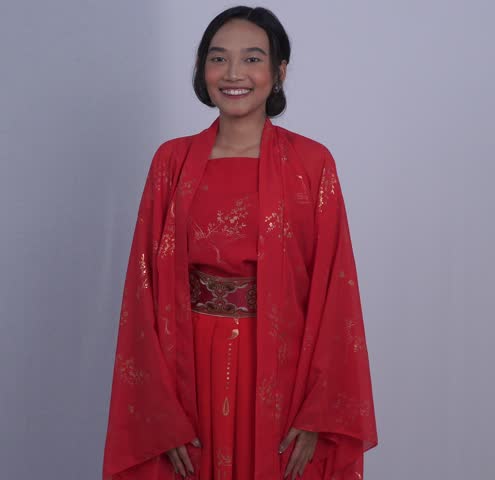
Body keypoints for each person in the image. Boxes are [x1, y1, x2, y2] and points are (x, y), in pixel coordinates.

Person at [102, 6, 378, 479]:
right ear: (201, 69)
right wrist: (160, 411)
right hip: (187, 368)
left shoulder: (311, 164)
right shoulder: (172, 162)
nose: (233, 74)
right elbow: (141, 292)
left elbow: (336, 289)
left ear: (279, 71)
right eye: (217, 58)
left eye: (252, 59)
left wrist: (317, 410)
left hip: (281, 371)